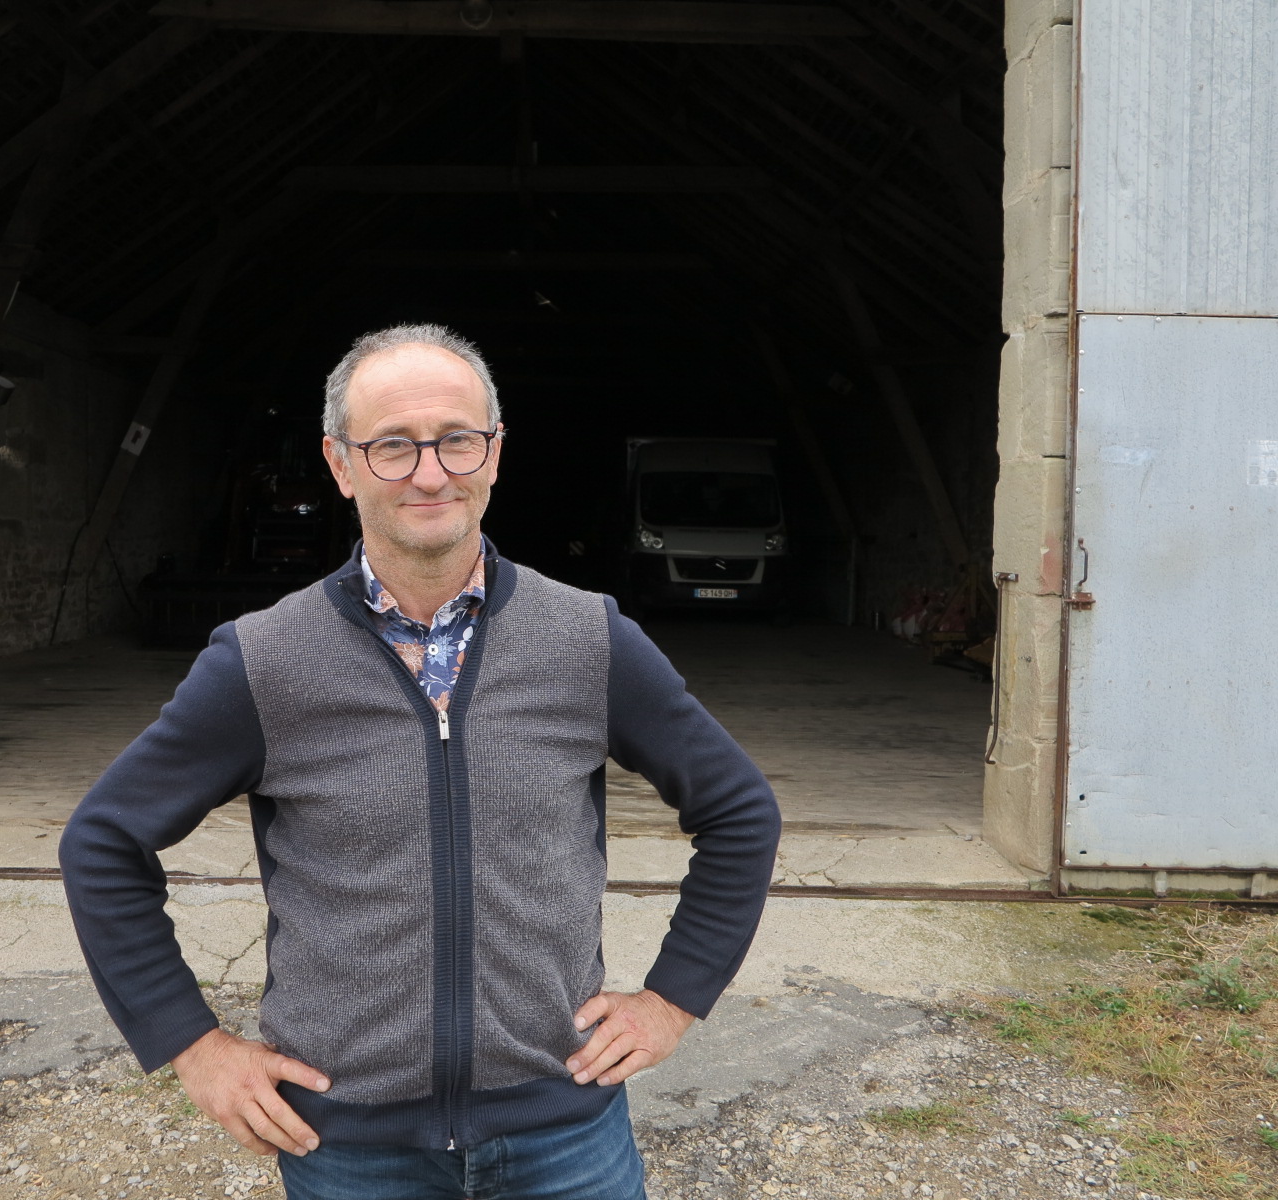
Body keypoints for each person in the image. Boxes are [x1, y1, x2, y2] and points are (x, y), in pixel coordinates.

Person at [59, 324, 781, 1200]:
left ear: (495, 454)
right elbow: (103, 841)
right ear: (340, 464)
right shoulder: (264, 661)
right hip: (351, 1147)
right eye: (393, 445)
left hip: (564, 1133)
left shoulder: (587, 639)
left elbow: (741, 811)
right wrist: (193, 1046)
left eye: (456, 440)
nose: (431, 473)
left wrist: (671, 1002)